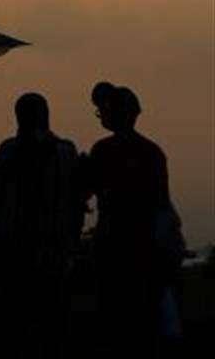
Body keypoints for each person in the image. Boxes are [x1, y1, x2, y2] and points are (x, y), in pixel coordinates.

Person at [0, 91, 82, 358]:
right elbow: (76, 201)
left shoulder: (11, 150)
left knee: (19, 321)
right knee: (48, 322)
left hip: (18, 250)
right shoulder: (65, 151)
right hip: (49, 250)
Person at [84, 82, 174, 357]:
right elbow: (162, 204)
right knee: (141, 318)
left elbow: (87, 189)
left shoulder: (103, 151)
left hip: (115, 242)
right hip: (143, 245)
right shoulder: (152, 152)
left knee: (114, 315)